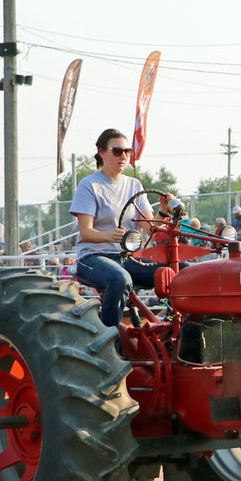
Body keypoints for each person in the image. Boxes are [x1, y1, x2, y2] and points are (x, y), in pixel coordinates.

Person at [70, 127, 174, 329]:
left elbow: (149, 228)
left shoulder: (134, 185)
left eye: (127, 152)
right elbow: (86, 233)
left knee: (178, 272)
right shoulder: (89, 185)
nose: (123, 156)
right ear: (101, 152)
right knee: (120, 278)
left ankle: (178, 330)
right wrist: (112, 236)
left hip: (127, 258)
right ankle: (108, 339)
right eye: (117, 151)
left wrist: (162, 212)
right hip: (93, 257)